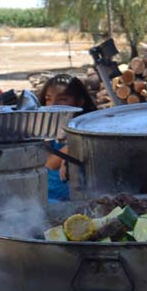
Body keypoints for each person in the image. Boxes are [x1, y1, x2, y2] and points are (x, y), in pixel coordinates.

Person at [38, 74, 96, 202]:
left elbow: (51, 164)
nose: (53, 105)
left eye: (62, 99)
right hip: (46, 197)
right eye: (48, 99)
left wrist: (73, 147)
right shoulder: (44, 129)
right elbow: (48, 163)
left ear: (80, 101)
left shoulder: (88, 129)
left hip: (73, 199)